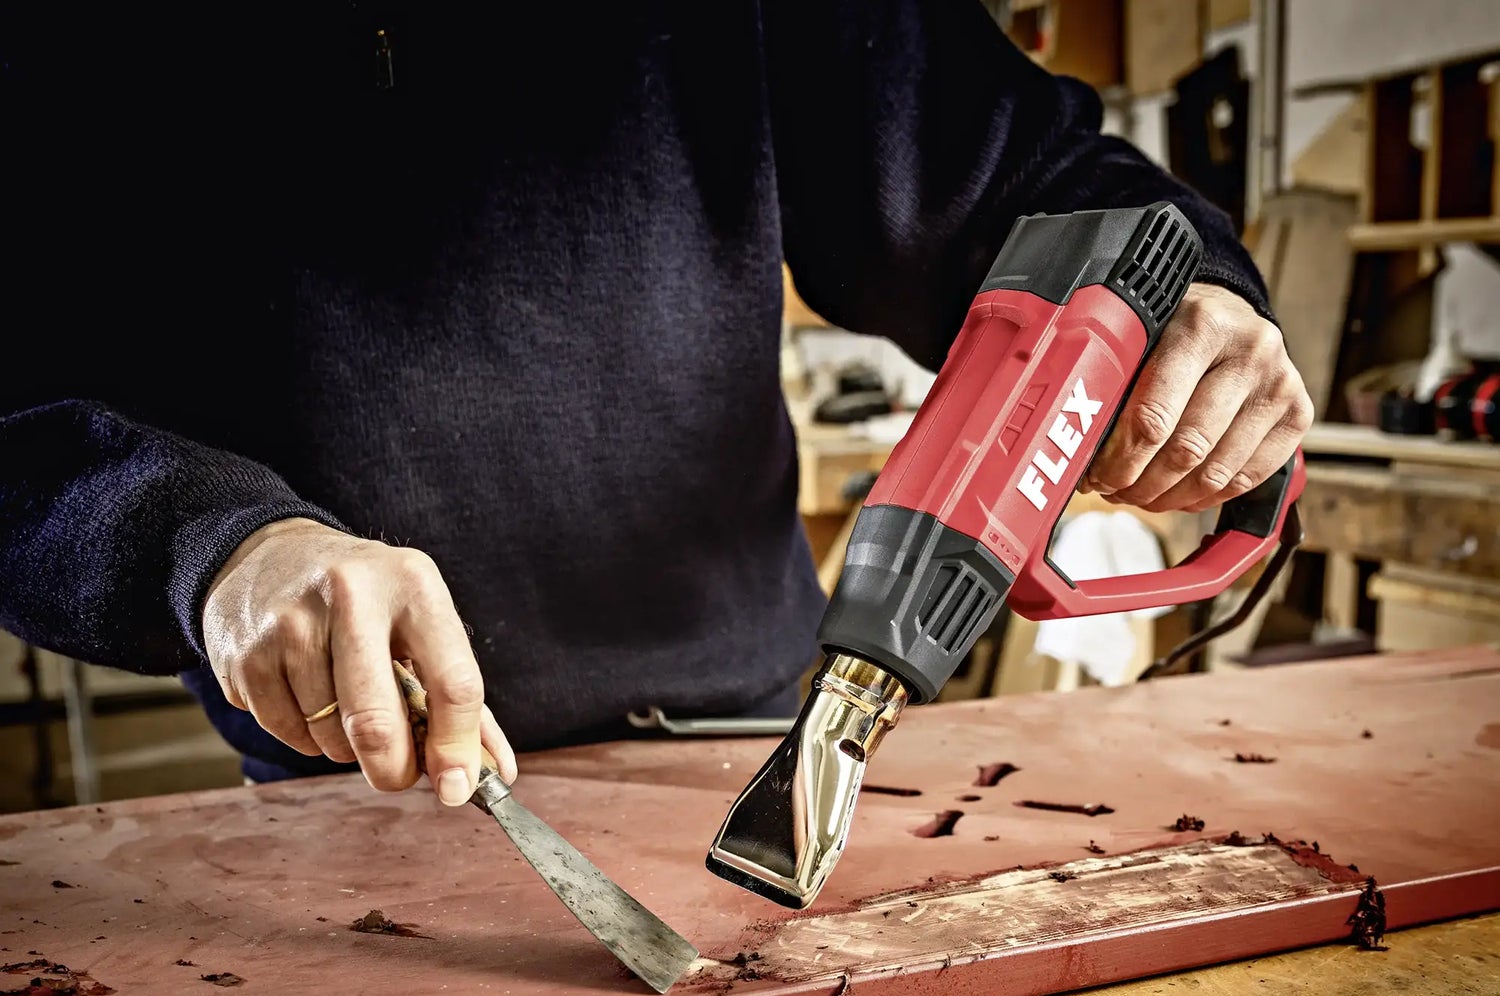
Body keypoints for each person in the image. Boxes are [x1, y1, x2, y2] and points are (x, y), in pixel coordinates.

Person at [0, 4, 1311, 812]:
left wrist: (1184, 290)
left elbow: (1031, 178)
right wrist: (211, 547)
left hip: (753, 735)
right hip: (362, 771)